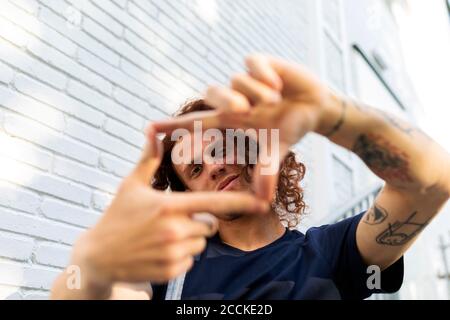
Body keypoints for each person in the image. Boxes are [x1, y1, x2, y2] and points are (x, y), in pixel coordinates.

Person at [52, 54, 450, 300]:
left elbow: (432, 181)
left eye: (217, 148)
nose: (213, 166)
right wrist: (88, 264)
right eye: (194, 169)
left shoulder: (330, 254)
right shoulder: (167, 274)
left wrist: (332, 114)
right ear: (188, 193)